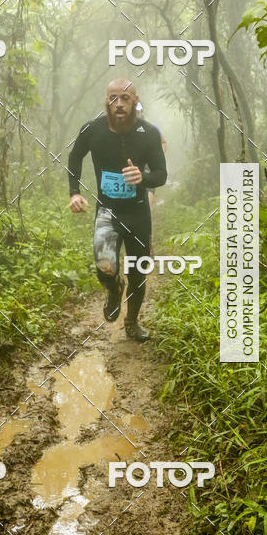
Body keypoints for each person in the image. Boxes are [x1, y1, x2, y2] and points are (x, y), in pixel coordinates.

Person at [68, 77, 167, 341]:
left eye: (125, 98)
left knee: (138, 271)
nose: (119, 103)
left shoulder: (149, 133)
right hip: (107, 211)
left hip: (137, 214)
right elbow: (74, 156)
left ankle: (132, 322)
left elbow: (161, 174)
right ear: (106, 101)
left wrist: (143, 179)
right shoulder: (92, 130)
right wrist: (74, 193)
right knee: (104, 267)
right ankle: (113, 290)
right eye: (113, 98)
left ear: (135, 100)